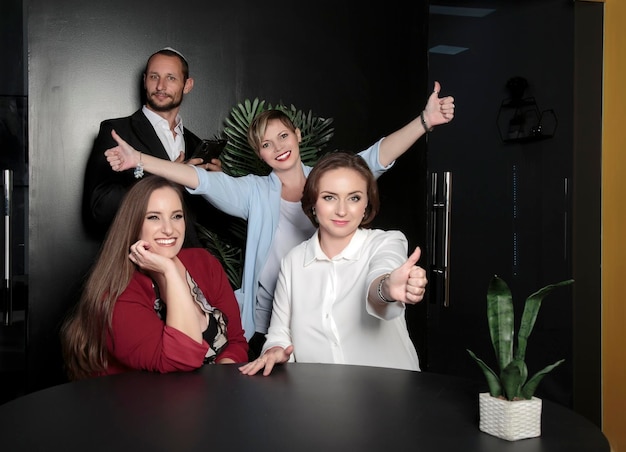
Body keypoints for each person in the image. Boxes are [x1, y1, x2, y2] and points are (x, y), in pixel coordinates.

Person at [104, 83, 454, 358]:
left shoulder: (329, 180)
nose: (279, 147)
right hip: (269, 324)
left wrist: (424, 122)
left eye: (283, 136)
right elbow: (200, 180)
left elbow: (375, 157)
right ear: (260, 154)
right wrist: (139, 159)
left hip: (325, 315)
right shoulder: (253, 192)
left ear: (298, 136)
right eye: (267, 144)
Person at [239, 152, 426, 375]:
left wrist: (386, 288)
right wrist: (276, 349)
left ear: (366, 203)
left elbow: (381, 277)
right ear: (313, 203)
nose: (342, 210)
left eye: (354, 198)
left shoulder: (386, 242)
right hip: (320, 399)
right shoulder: (293, 261)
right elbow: (279, 331)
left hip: (391, 396)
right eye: (329, 197)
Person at [61, 175, 248, 380]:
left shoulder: (204, 263)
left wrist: (222, 381)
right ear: (133, 224)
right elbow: (181, 359)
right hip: (140, 407)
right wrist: (169, 271)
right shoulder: (117, 293)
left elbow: (236, 341)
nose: (169, 229)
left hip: (206, 400)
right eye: (153, 217)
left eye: (177, 216)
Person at [81, 47, 231, 245]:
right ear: (145, 81)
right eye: (154, 77)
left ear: (187, 85)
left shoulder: (195, 144)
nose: (160, 86)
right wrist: (169, 180)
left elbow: (212, 224)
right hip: (135, 261)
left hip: (186, 265)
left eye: (171, 78)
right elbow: (99, 208)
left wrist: (215, 187)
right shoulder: (117, 132)